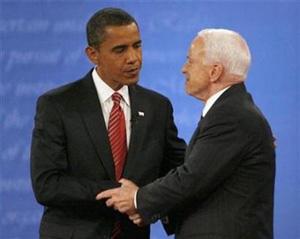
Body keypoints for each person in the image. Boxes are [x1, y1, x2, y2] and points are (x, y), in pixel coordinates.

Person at [97, 29, 276, 239]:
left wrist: (138, 199)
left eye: (190, 61)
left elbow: (192, 178)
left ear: (214, 72)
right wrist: (151, 207)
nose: (184, 69)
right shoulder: (233, 111)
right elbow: (203, 180)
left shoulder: (232, 116)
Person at [30, 7, 186, 239]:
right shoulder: (58, 105)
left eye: (137, 45)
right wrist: (121, 194)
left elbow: (178, 172)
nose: (133, 58)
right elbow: (47, 185)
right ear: (93, 54)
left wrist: (147, 203)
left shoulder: (157, 107)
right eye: (120, 50)